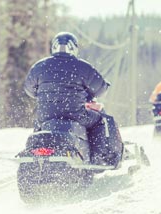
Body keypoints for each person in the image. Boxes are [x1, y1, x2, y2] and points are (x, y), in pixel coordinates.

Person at [24, 31, 120, 166]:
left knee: (39, 124)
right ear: (74, 48)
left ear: (54, 47)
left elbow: (29, 90)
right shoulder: (82, 66)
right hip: (74, 114)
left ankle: (35, 156)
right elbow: (101, 89)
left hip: (46, 116)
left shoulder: (39, 66)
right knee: (99, 120)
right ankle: (99, 157)